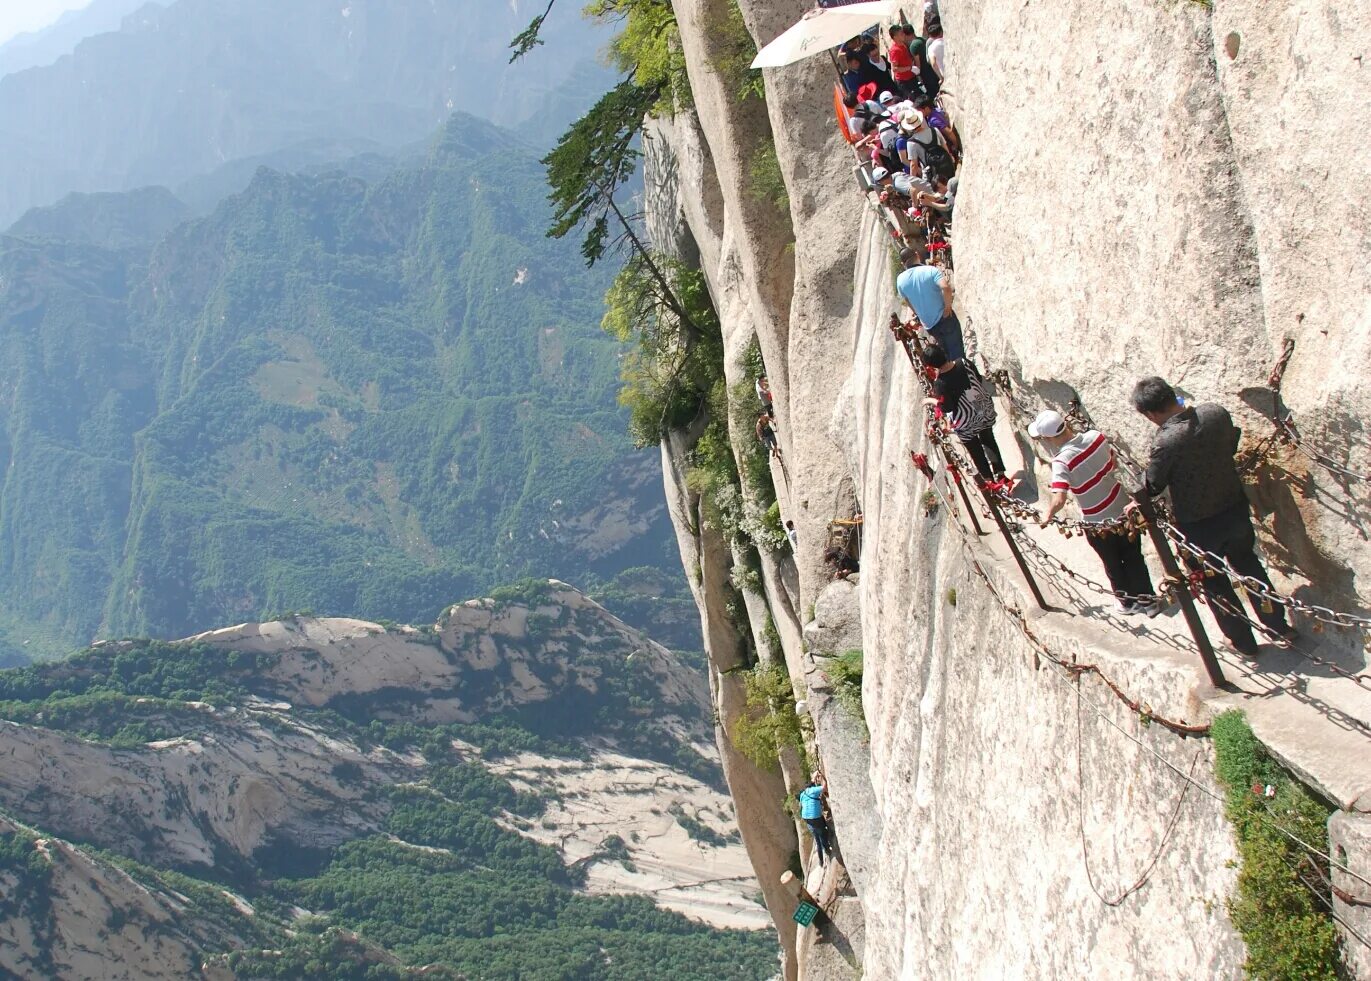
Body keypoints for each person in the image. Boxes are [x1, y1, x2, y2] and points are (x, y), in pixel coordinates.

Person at [1130, 377, 1296, 656]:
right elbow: (1230, 443)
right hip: (1233, 506)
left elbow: (1153, 486)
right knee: (1249, 566)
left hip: (1197, 525)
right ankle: (1278, 625)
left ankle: (1243, 642)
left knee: (1214, 582)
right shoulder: (1214, 412)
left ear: (1150, 414)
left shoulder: (1165, 442)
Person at [1028, 410, 1161, 616]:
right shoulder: (1096, 437)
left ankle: (1127, 603)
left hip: (1097, 521)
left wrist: (1048, 515)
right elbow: (1113, 463)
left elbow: (1059, 498)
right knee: (1134, 556)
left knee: (1113, 563)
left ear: (1049, 438)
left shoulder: (1061, 462)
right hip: (1122, 508)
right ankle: (1149, 602)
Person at [920, 342, 1006, 483]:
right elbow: (977, 379)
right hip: (982, 409)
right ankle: (1000, 473)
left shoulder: (940, 384)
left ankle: (989, 481)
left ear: (931, 365)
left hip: (965, 421)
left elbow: (947, 407)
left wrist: (930, 400)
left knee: (976, 452)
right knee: (989, 441)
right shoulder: (963, 362)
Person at [896, 247, 965, 361]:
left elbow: (907, 300)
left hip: (929, 325)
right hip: (945, 317)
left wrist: (918, 314)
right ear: (917, 254)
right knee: (957, 351)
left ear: (902, 263)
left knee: (945, 353)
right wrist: (947, 307)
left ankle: (954, 373)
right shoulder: (930, 270)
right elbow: (945, 288)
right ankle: (965, 374)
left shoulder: (900, 281)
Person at [798, 773, 833, 868]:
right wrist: (823, 778)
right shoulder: (813, 790)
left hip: (807, 818)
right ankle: (827, 849)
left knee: (817, 838)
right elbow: (825, 787)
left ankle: (821, 861)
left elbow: (801, 805)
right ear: (812, 786)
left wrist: (815, 777)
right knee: (823, 833)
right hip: (814, 817)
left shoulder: (803, 793)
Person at [886, 22, 922, 100]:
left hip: (911, 77)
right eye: (901, 34)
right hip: (905, 82)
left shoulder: (903, 44)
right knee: (914, 100)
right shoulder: (894, 50)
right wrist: (910, 68)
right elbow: (895, 68)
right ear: (895, 37)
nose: (903, 35)